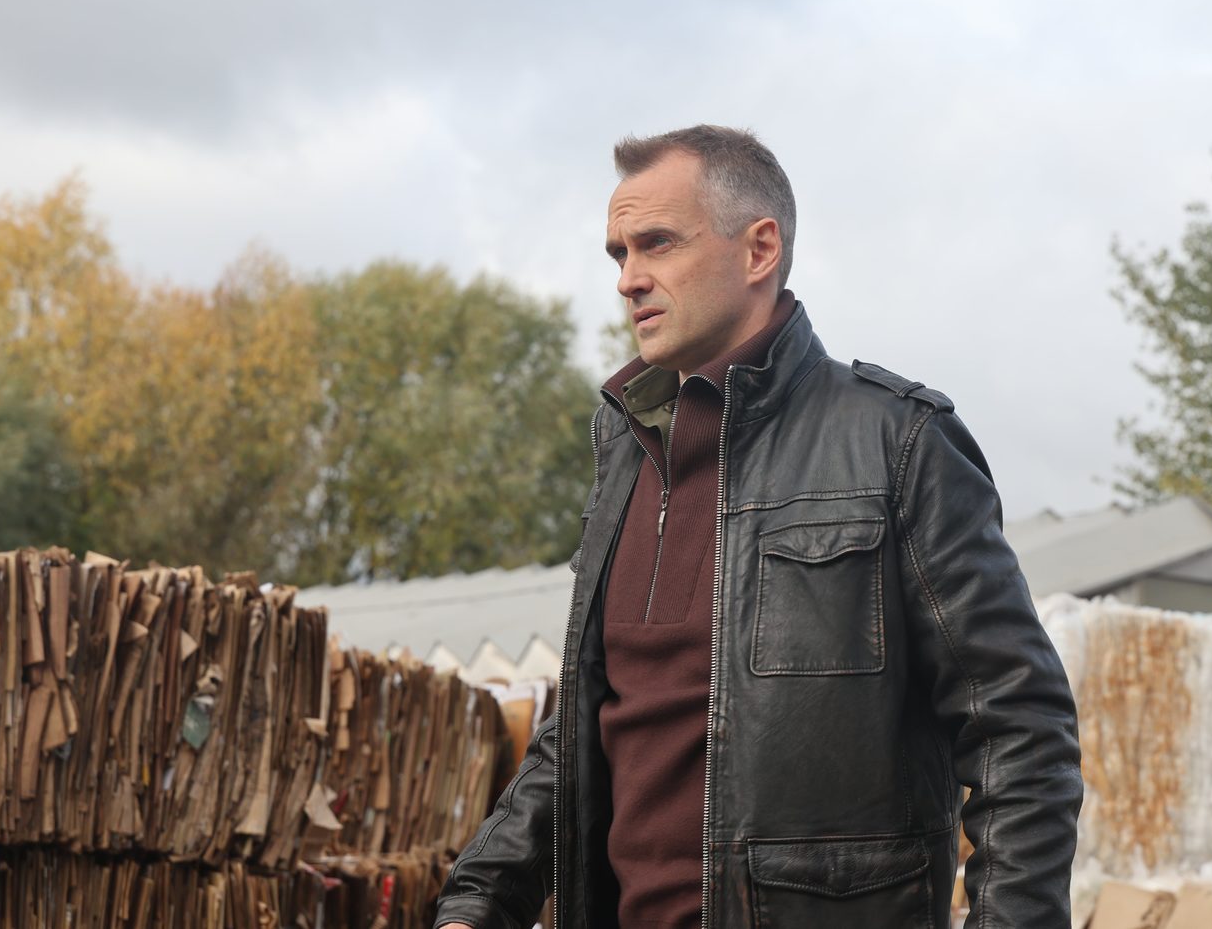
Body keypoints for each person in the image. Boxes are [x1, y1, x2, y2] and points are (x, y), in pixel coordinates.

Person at [435, 125, 1081, 929]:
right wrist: (477, 901)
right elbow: (589, 727)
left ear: (759, 249)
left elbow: (1021, 732)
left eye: (657, 243)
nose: (629, 278)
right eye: (619, 254)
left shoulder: (896, 442)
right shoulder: (629, 454)